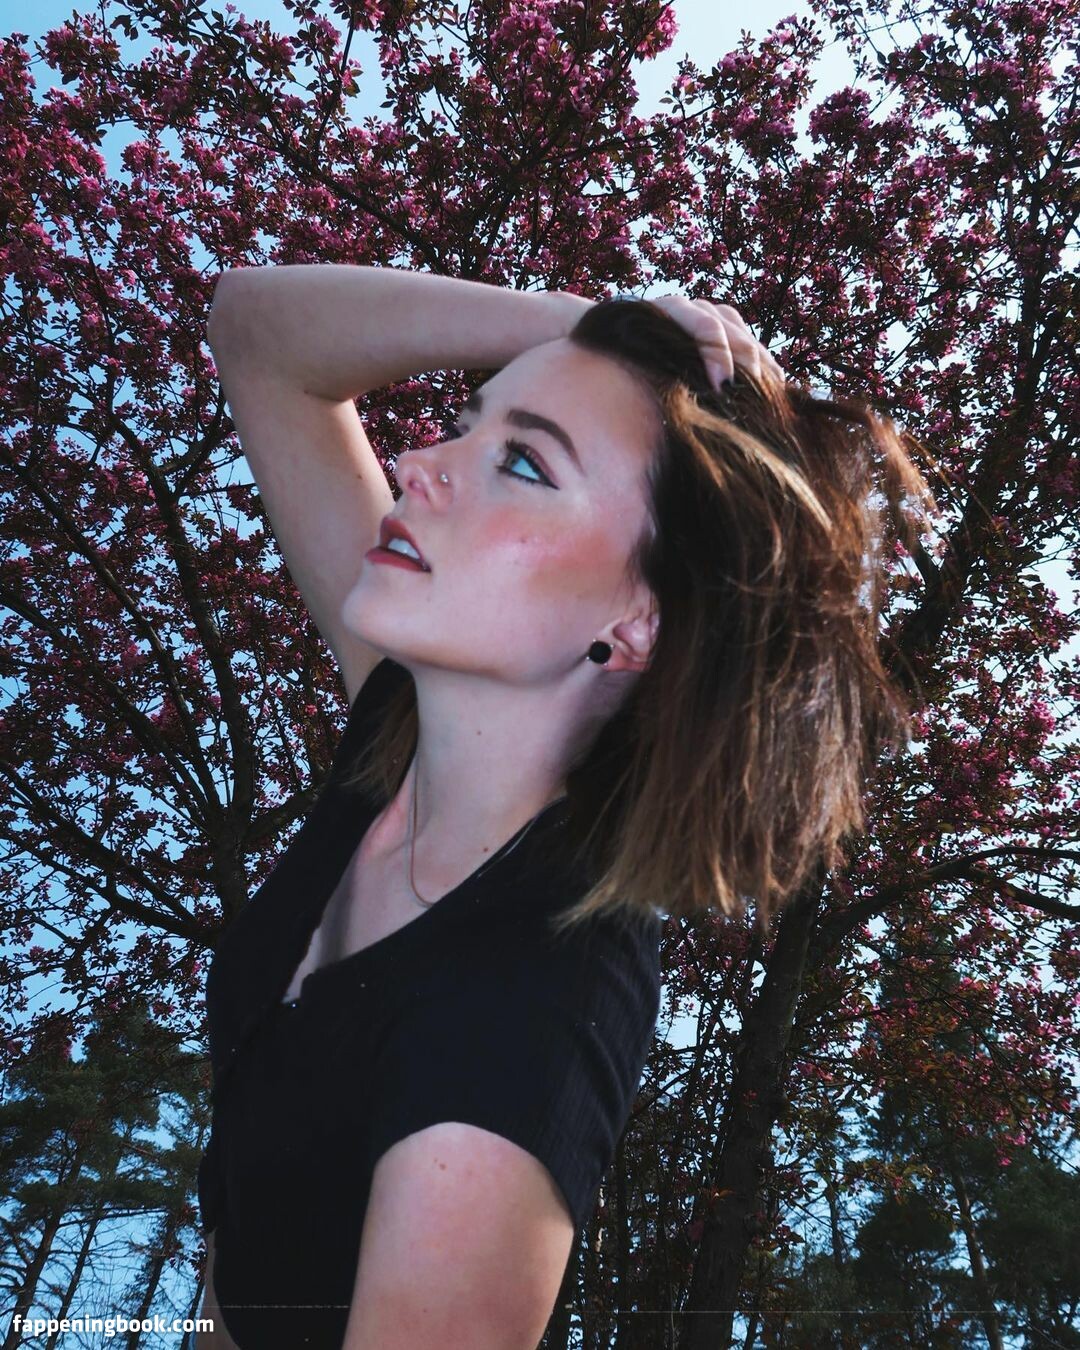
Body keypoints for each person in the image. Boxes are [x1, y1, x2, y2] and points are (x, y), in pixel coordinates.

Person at [193, 265, 936, 1350]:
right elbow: (257, 335)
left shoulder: (527, 1021)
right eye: (467, 425)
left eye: (524, 462)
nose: (421, 465)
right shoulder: (398, 735)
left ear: (639, 623)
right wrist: (586, 329)